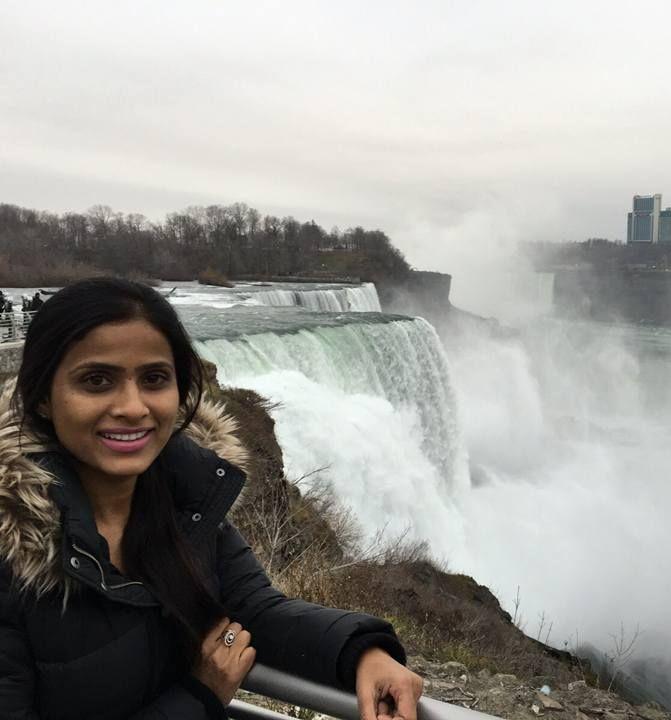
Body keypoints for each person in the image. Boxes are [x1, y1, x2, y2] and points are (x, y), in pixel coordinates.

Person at [0, 278, 424, 719]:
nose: (132, 406)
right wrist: (199, 697)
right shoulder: (10, 557)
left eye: (154, 379)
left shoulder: (186, 499)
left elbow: (255, 609)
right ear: (43, 399)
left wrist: (362, 651)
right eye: (96, 380)